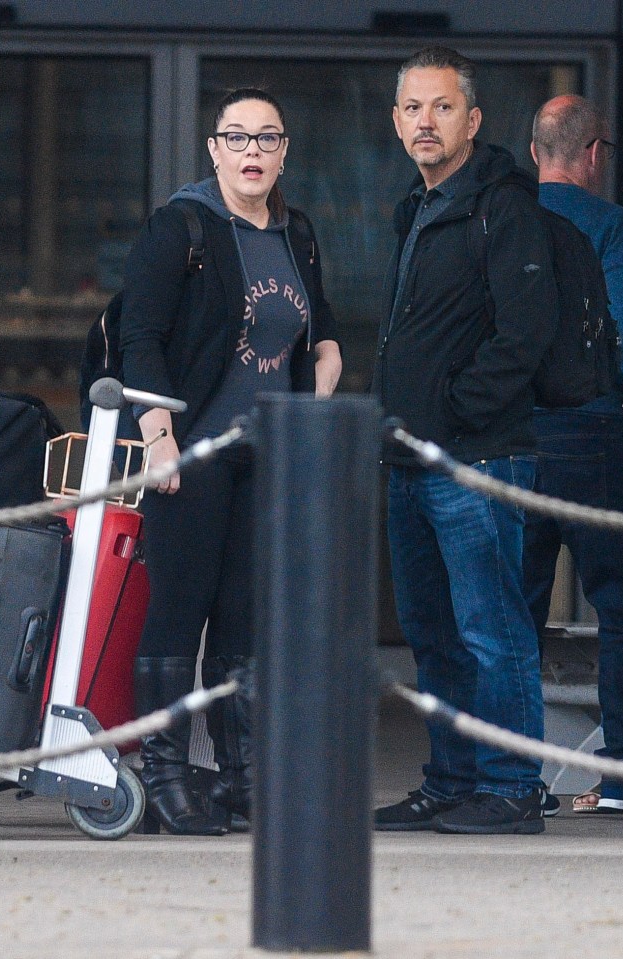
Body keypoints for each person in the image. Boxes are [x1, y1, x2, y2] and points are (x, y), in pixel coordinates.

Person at [120, 88, 342, 835]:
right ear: (213, 149)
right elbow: (140, 338)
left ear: (285, 152)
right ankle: (165, 776)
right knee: (177, 620)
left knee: (245, 624)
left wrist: (313, 409)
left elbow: (324, 338)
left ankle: (242, 777)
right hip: (193, 454)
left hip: (267, 460)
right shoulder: (180, 226)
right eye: (237, 137)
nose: (252, 151)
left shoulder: (296, 231)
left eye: (267, 138)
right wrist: (158, 438)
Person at [371, 47, 559, 835]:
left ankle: (513, 786)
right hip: (411, 458)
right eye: (413, 107)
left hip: (475, 457)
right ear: (395, 121)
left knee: (494, 630)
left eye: (442, 107)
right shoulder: (414, 206)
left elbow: (527, 336)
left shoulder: (504, 205)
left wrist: (447, 412)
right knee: (434, 635)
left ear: (473, 121)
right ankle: (450, 780)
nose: (425, 121)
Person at [525, 95, 623, 815]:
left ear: (535, 153)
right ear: (594, 154)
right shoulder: (611, 224)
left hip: (512, 443)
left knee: (512, 612)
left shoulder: (501, 217)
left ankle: (509, 774)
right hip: (590, 437)